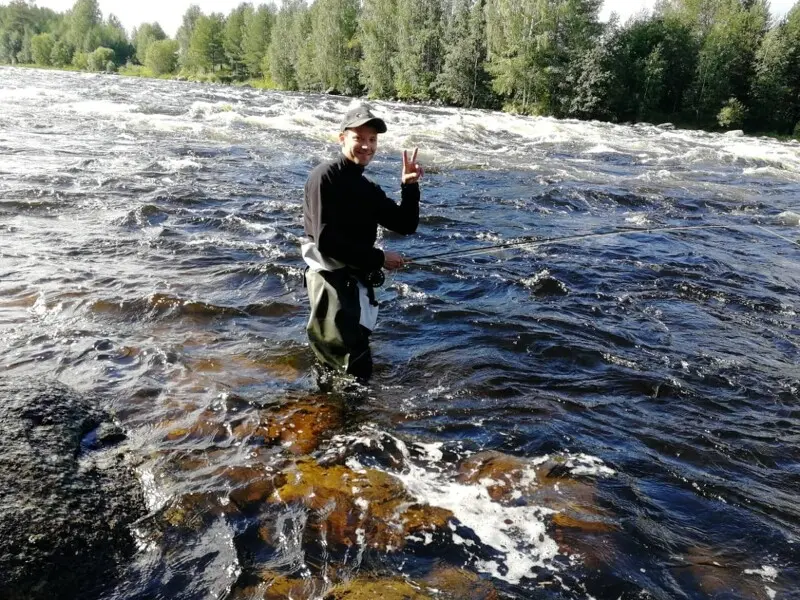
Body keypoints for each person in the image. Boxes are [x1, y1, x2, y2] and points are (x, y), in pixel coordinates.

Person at [302, 104, 423, 381]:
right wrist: (380, 259)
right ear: (342, 138)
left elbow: (406, 224)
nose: (366, 146)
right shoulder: (325, 177)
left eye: (372, 140)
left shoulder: (367, 188)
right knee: (347, 369)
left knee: (353, 366)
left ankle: (340, 418)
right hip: (330, 282)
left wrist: (410, 186)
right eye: (359, 138)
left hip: (355, 283)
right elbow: (326, 242)